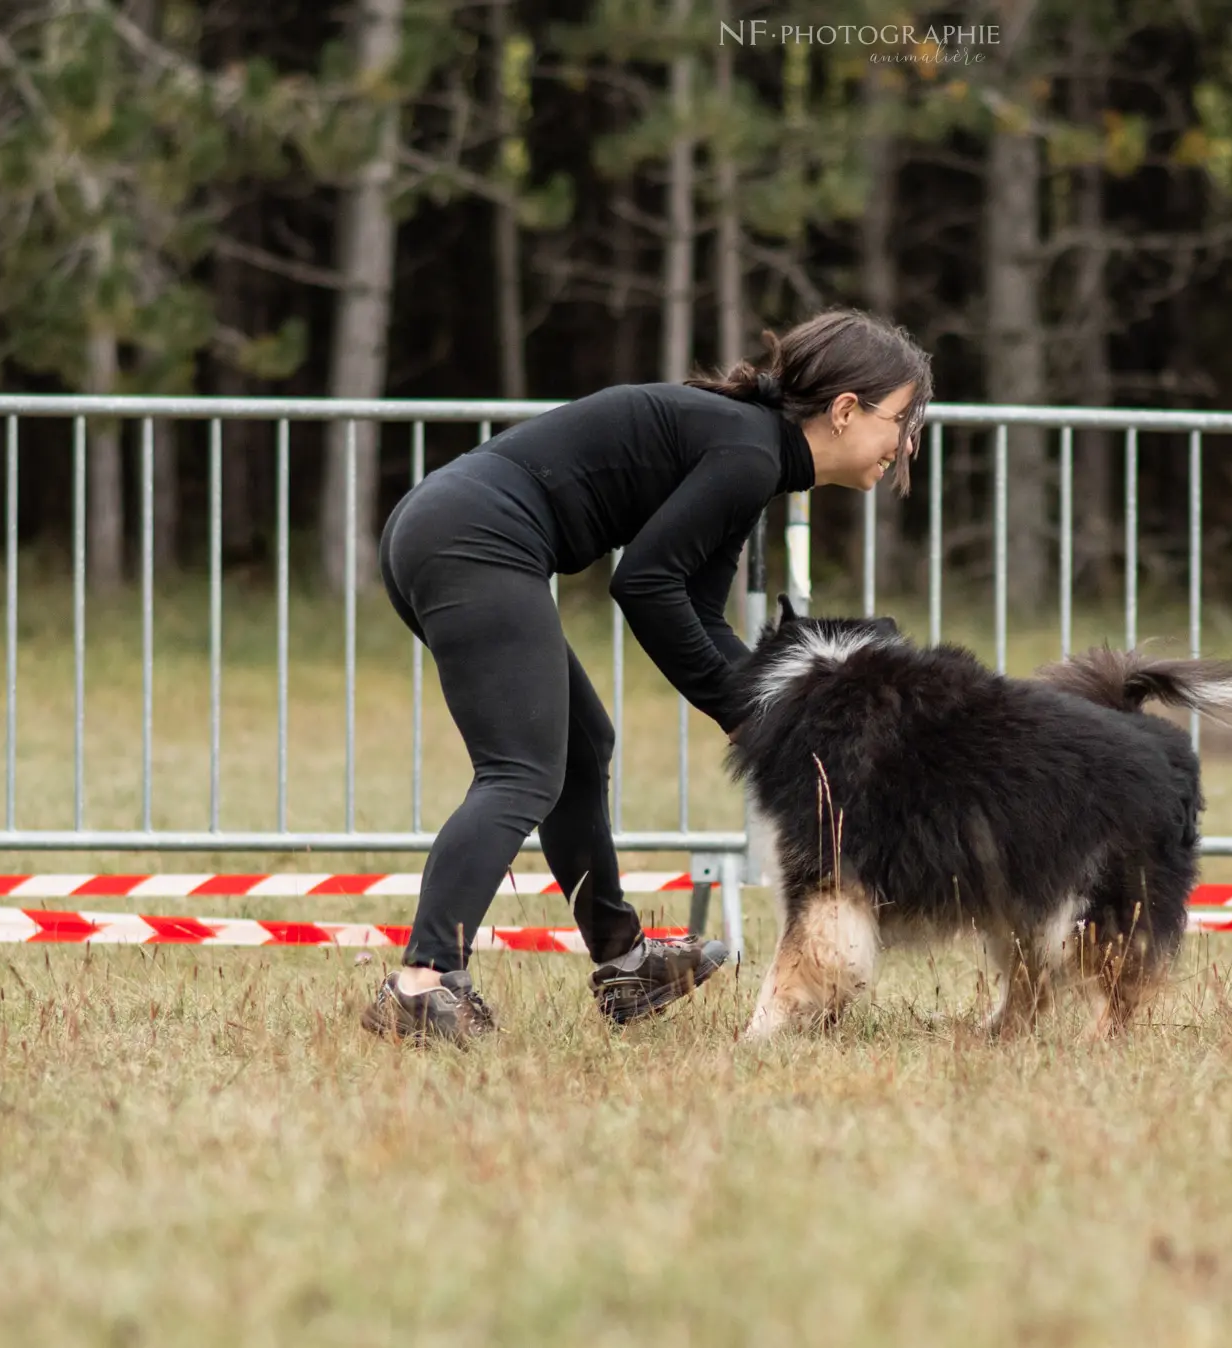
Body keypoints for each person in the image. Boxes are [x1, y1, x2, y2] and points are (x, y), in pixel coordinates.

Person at [361, 308, 934, 1043]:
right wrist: (749, 720)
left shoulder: (754, 459)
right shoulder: (750, 453)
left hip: (448, 527)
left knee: (577, 750)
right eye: (903, 419)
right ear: (846, 410)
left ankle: (625, 963)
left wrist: (772, 717)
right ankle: (424, 981)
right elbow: (645, 586)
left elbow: (694, 605)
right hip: (473, 537)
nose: (907, 444)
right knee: (520, 772)